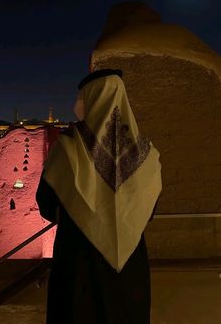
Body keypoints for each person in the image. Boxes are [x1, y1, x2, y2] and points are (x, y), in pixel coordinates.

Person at [36, 68, 162, 324]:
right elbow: (150, 211)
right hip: (129, 269)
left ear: (91, 99)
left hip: (78, 266)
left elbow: (46, 205)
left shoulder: (68, 149)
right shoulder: (146, 156)